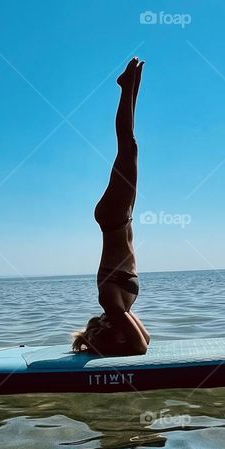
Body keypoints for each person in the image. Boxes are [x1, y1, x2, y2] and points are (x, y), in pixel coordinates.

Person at [72, 58, 151, 356]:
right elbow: (146, 341)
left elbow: (139, 347)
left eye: (104, 322)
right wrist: (115, 338)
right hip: (121, 218)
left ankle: (127, 88)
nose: (105, 318)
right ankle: (130, 87)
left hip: (114, 218)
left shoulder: (110, 302)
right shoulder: (119, 310)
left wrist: (112, 333)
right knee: (130, 147)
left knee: (128, 146)